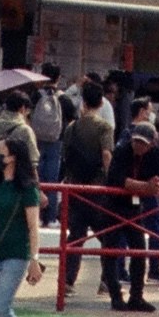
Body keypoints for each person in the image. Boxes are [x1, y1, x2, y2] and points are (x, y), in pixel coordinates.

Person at [0, 100, 40, 317]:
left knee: (0, 308)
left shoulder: (26, 189)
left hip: (16, 255)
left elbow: (33, 226)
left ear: (12, 157)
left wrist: (34, 259)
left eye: (0, 151)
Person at [102, 102, 159, 311]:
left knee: (139, 251)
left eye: (143, 143)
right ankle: (115, 295)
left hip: (135, 209)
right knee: (110, 252)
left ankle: (136, 296)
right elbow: (116, 179)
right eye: (136, 141)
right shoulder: (121, 151)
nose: (139, 146)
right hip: (114, 207)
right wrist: (145, 187)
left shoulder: (156, 155)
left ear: (152, 144)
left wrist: (158, 186)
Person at [58, 82, 116, 287]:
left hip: (75, 188)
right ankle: (107, 280)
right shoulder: (104, 127)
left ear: (83, 101)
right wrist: (111, 182)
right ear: (101, 103)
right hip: (97, 189)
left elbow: (65, 157)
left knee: (75, 236)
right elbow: (107, 155)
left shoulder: (72, 128)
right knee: (108, 235)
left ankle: (66, 280)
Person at [29, 73, 68, 187]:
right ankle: (51, 202)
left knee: (36, 169)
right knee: (52, 177)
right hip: (56, 140)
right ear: (58, 78)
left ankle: (38, 198)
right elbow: (72, 117)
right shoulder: (63, 97)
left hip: (37, 138)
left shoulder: (36, 95)